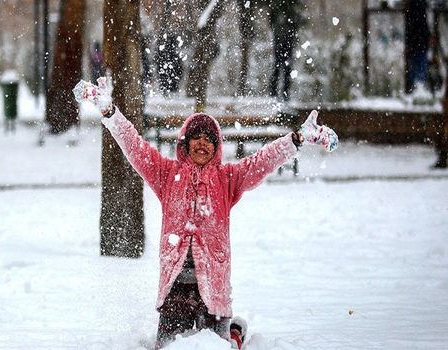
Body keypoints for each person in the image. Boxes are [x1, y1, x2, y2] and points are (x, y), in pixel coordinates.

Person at [74, 77, 338, 349]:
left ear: (217, 147)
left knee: (218, 347)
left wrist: (296, 139)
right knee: (165, 347)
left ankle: (234, 332)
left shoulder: (228, 178)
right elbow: (134, 146)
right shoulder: (166, 175)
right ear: (185, 144)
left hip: (213, 286)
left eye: (208, 140)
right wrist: (109, 112)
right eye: (196, 138)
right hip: (175, 287)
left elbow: (262, 161)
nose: (202, 144)